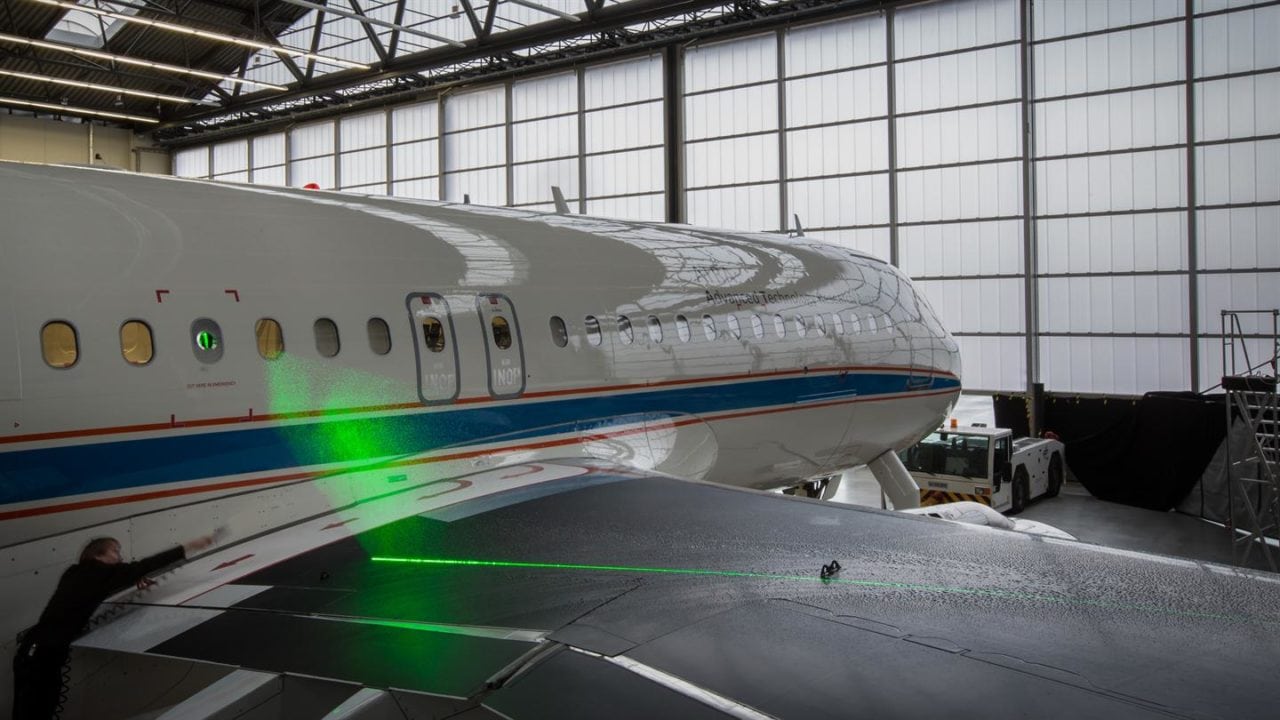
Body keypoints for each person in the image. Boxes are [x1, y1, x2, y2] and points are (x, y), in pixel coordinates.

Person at [12, 534, 214, 720]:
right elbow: (145, 565)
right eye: (115, 551)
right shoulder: (101, 574)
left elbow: (93, 591)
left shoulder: (75, 573)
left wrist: (131, 580)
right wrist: (188, 547)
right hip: (42, 656)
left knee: (28, 711)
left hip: (35, 652)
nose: (120, 556)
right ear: (99, 555)